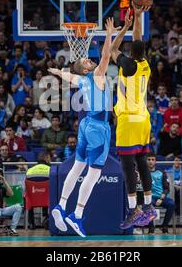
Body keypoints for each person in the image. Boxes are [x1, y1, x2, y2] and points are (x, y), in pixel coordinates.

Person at [49, 17, 116, 237]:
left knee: (78, 166)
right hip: (97, 126)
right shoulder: (96, 76)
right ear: (86, 70)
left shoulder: (81, 80)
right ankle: (76, 215)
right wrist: (108, 35)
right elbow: (106, 55)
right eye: (87, 60)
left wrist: (58, 72)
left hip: (85, 124)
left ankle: (60, 205)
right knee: (94, 172)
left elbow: (69, 75)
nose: (90, 60)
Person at [109, 5, 156, 229]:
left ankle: (133, 210)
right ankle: (148, 206)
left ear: (130, 53)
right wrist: (138, 17)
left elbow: (112, 49)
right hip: (144, 119)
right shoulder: (145, 64)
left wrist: (123, 28)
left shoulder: (127, 65)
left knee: (128, 167)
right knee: (142, 163)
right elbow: (138, 40)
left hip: (128, 119)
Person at [146, 153, 175, 234]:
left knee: (171, 204)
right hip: (149, 198)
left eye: (152, 160)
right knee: (147, 205)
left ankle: (164, 226)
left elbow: (166, 188)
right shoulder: (143, 173)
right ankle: (151, 228)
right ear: (146, 161)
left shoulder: (161, 172)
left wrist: (161, 198)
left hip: (160, 197)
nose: (150, 162)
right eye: (149, 160)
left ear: (155, 161)